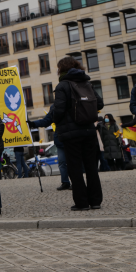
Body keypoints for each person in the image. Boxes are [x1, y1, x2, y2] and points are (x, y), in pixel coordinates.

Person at [53, 57, 104, 211]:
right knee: (91, 167)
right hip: (88, 131)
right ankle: (95, 201)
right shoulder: (86, 82)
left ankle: (82, 203)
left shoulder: (62, 85)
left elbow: (59, 110)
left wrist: (56, 118)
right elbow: (99, 103)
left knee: (74, 168)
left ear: (61, 69)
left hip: (71, 134)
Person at [27, 106, 71, 190]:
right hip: (60, 140)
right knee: (62, 163)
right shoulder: (54, 107)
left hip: (71, 139)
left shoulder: (70, 103)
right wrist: (33, 124)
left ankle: (76, 182)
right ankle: (65, 182)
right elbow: (46, 121)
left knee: (72, 163)